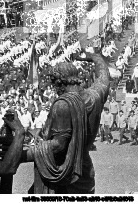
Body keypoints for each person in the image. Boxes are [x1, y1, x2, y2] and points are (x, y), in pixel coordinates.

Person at [22, 51, 118, 194]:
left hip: (65, 173)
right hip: (84, 168)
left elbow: (58, 145)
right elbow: (103, 76)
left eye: (54, 84)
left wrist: (22, 156)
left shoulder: (62, 105)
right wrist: (94, 57)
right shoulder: (94, 96)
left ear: (59, 82)